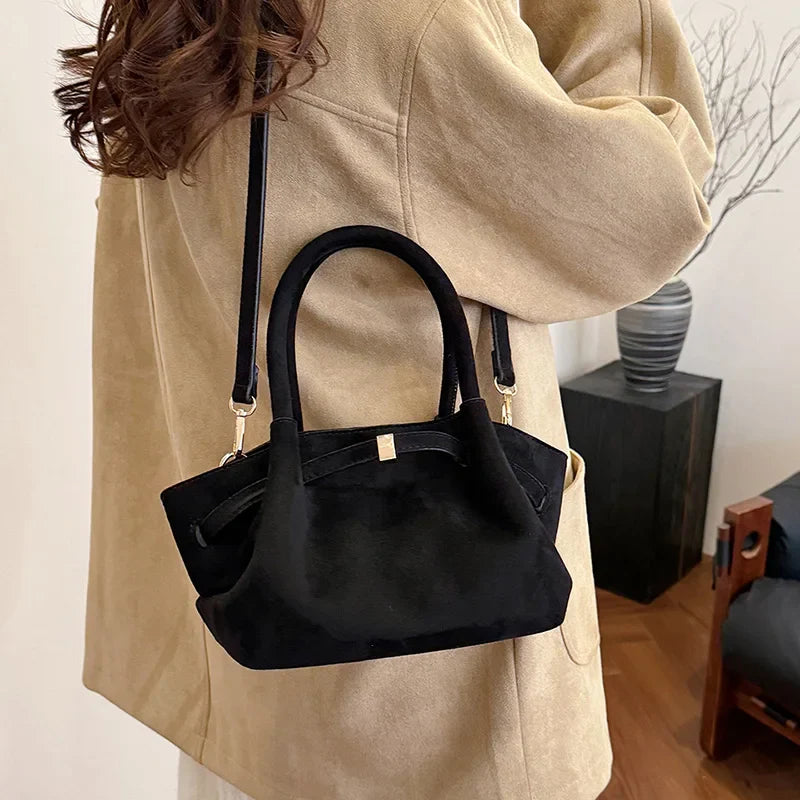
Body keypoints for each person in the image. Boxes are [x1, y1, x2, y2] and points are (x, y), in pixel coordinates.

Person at [57, 0, 713, 798]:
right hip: (410, 705)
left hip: (246, 650)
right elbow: (654, 203)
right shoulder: (418, 25)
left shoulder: (174, 13)